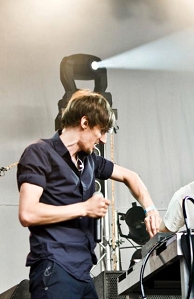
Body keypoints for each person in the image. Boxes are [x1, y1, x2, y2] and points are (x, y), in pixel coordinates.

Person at [17, 89, 162, 299]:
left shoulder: (90, 160)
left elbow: (131, 177)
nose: (103, 140)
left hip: (82, 272)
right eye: (101, 131)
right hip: (54, 267)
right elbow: (28, 213)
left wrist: (150, 209)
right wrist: (84, 208)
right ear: (85, 122)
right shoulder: (40, 153)